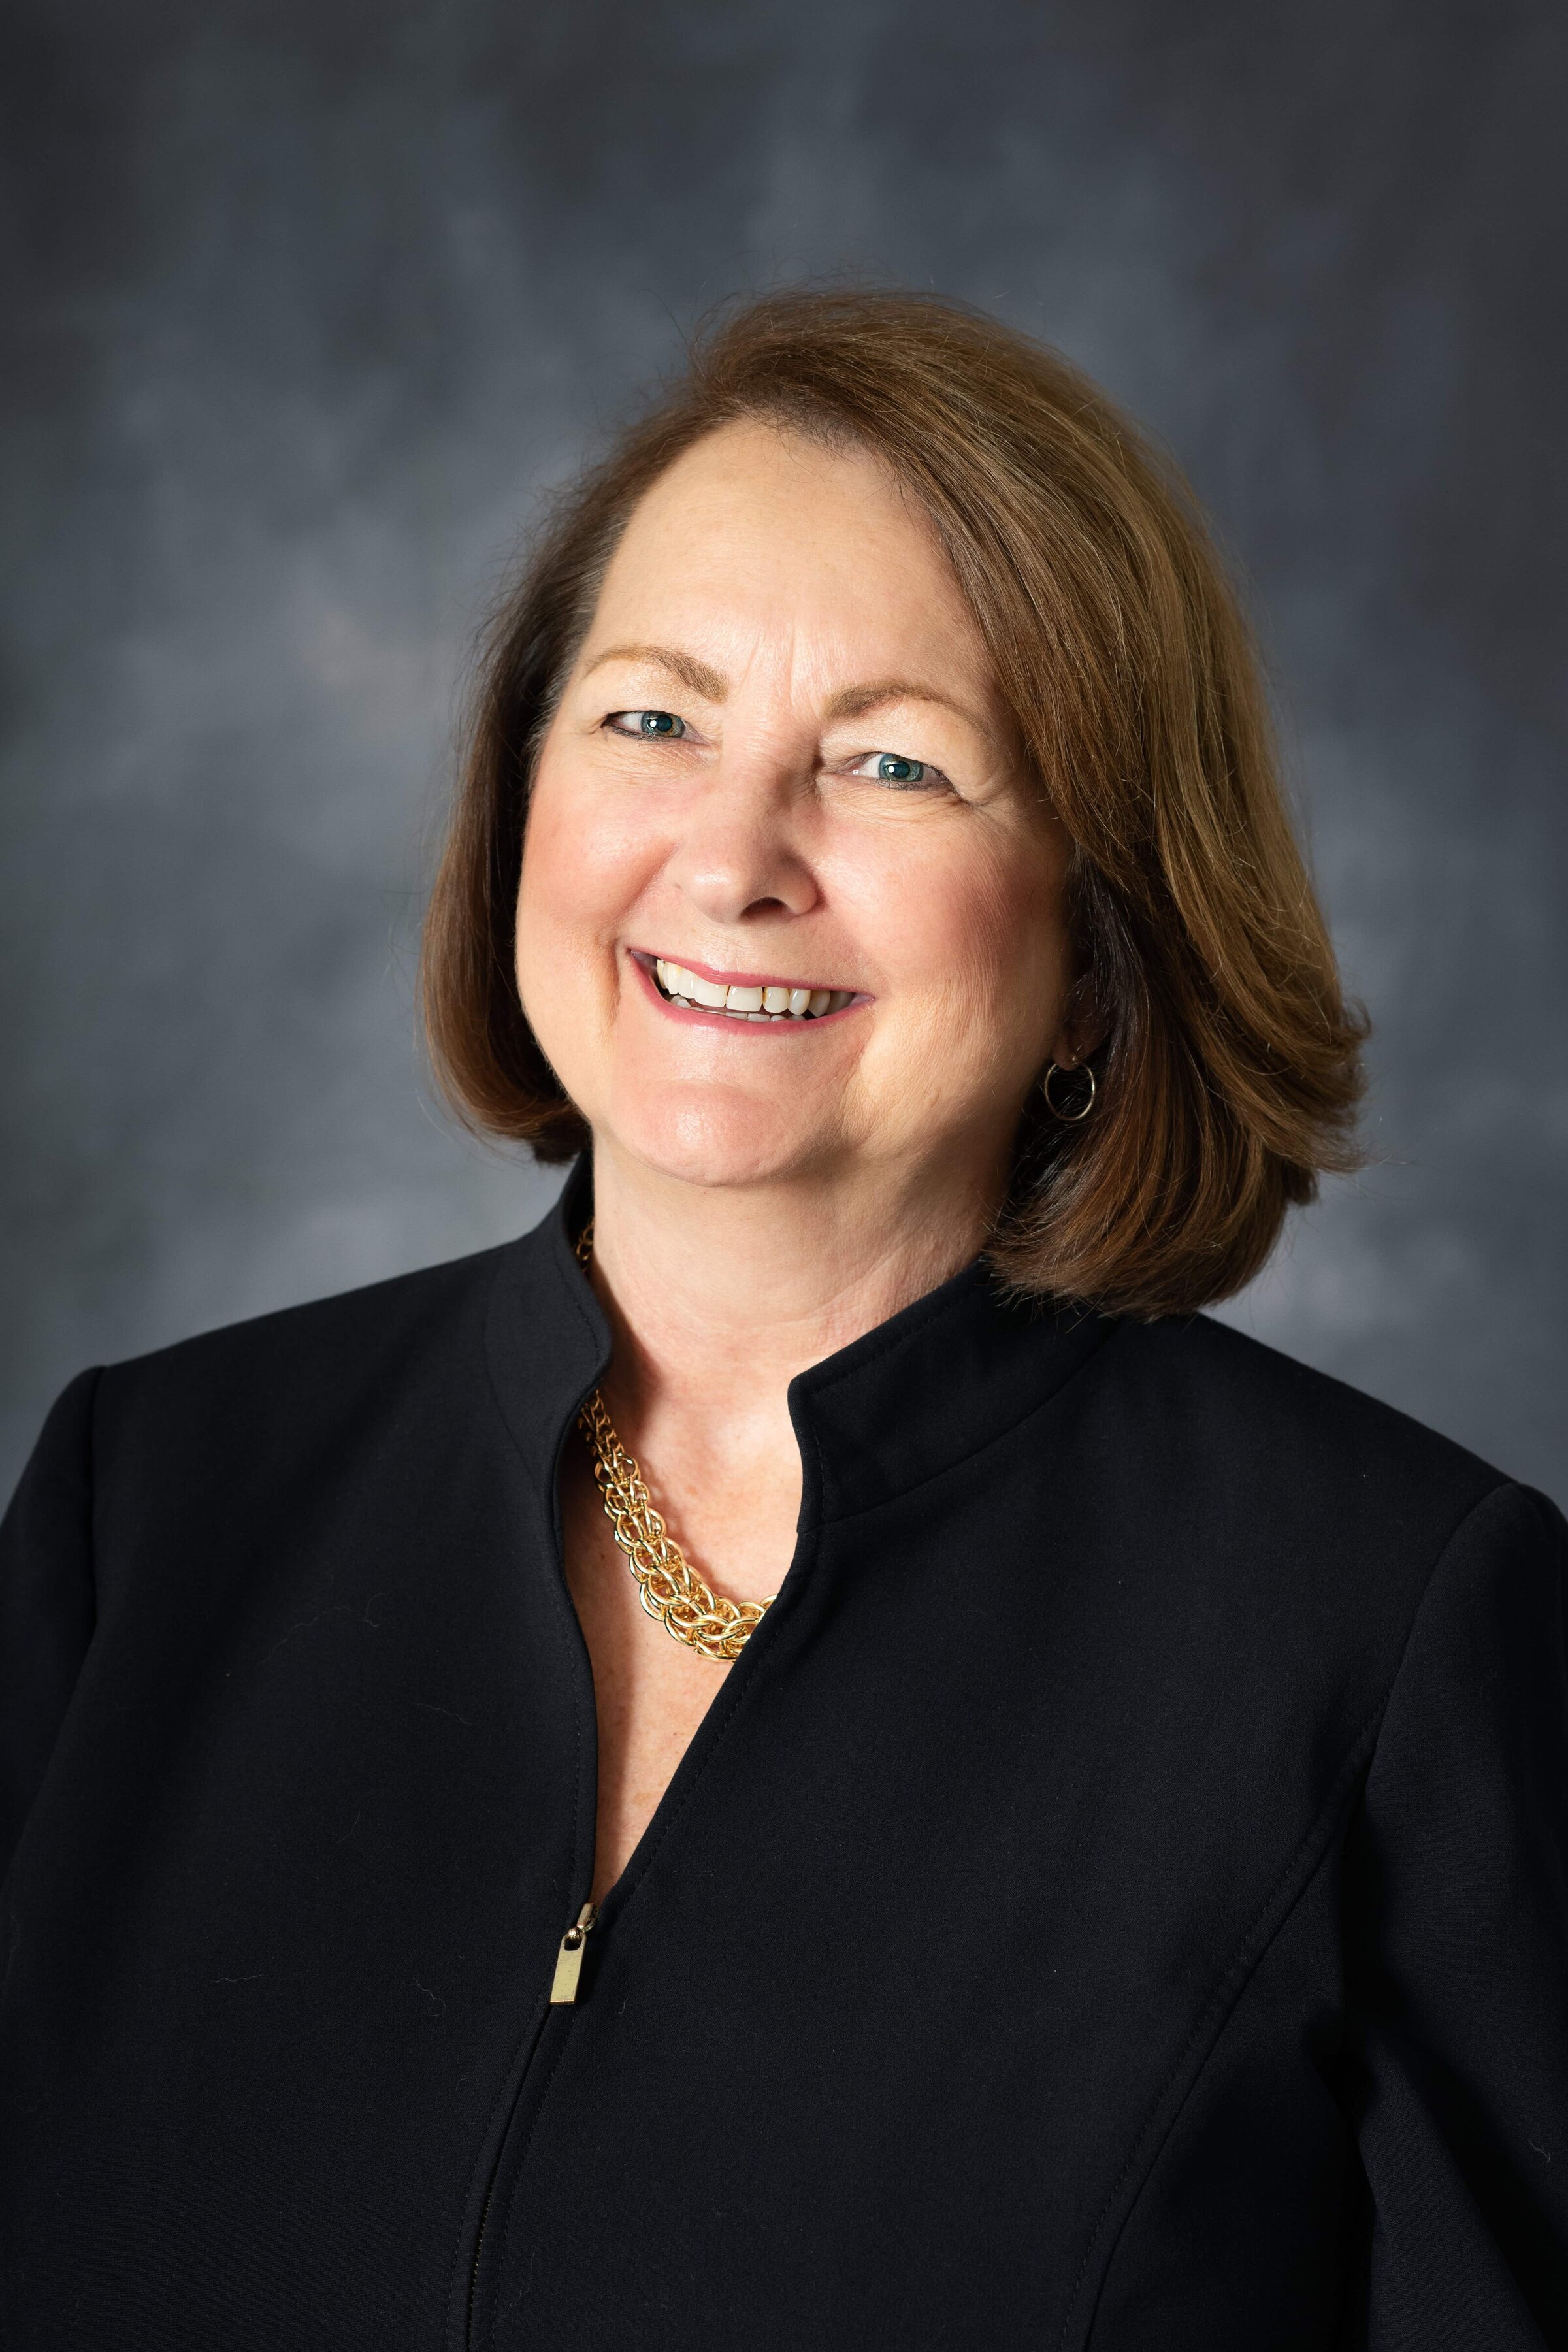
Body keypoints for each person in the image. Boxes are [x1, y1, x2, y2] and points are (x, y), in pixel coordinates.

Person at [1, 288, 1563, 2351]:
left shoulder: (1394, 1633)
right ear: (525, 797)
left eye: (895, 763)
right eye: (653, 721)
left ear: (1101, 950)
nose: (734, 859)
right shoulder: (149, 1504)